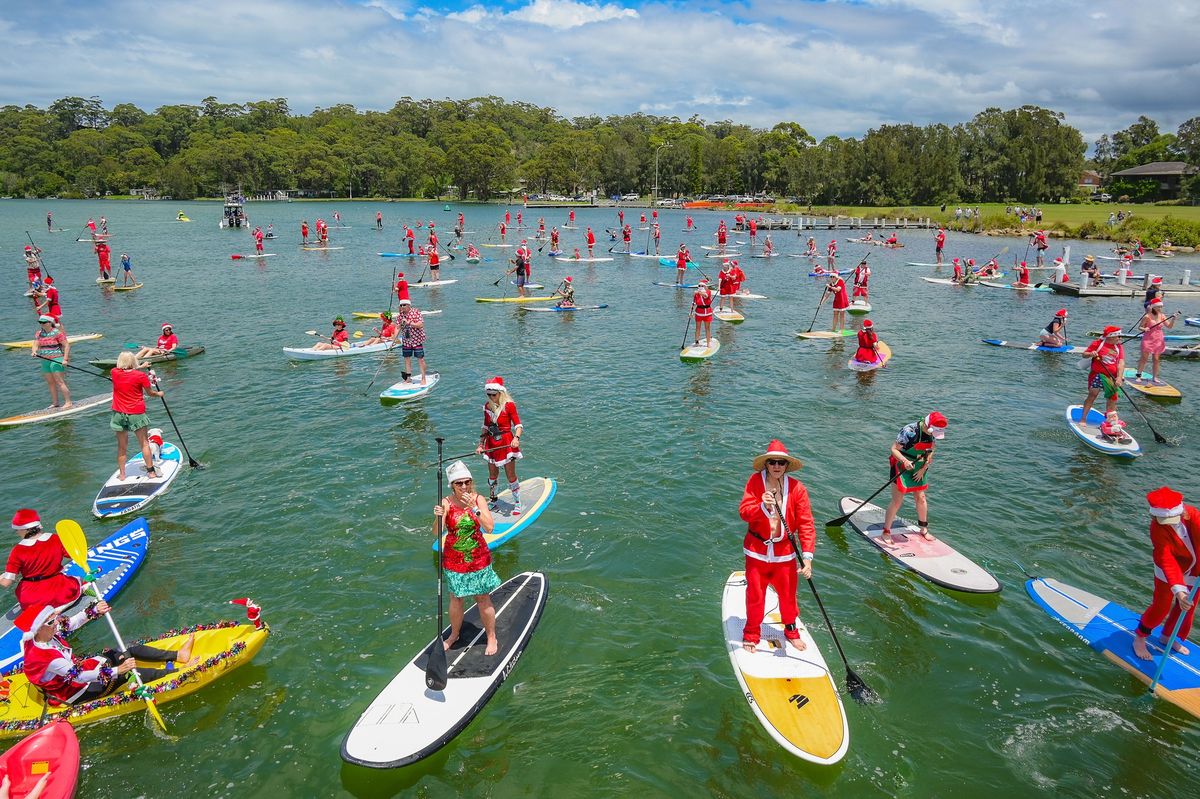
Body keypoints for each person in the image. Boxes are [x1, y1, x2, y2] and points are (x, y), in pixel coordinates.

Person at [16, 601, 195, 706]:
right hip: (74, 691)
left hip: (77, 673)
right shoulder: (45, 656)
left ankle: (178, 655)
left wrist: (94, 610)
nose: (56, 623)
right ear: (37, 630)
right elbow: (79, 677)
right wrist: (119, 670)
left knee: (125, 650)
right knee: (127, 675)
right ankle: (177, 673)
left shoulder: (48, 633)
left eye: (54, 619)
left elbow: (71, 623)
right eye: (51, 622)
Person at [737, 440, 815, 651]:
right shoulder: (754, 482)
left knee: (788, 596)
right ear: (766, 464)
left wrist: (807, 558)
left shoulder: (798, 489)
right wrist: (761, 506)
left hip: (785, 556)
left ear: (787, 465)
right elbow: (744, 512)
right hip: (756, 554)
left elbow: (806, 523)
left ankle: (791, 631)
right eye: (772, 462)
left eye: (781, 462)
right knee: (755, 595)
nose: (777, 466)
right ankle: (751, 633)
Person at [433, 461, 501, 656]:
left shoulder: (478, 499)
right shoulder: (445, 502)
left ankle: (491, 636)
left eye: (467, 482)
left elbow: (489, 527)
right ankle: (454, 634)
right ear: (452, 485)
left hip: (478, 558)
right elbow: (436, 533)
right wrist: (438, 517)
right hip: (454, 560)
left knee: (482, 598)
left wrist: (475, 509)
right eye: (459, 483)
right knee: (456, 598)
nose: (464, 487)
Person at [1133, 487, 1200, 661]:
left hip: (1195, 569)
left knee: (1187, 607)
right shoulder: (1157, 527)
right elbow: (1165, 557)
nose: (1167, 522)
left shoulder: (1194, 516)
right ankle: (1140, 637)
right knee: (1161, 606)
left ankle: (1168, 636)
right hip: (1167, 570)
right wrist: (1179, 590)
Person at [881, 412, 947, 546]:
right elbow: (894, 449)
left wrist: (923, 468)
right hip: (901, 465)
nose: (934, 435)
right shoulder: (909, 431)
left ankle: (923, 529)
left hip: (919, 466)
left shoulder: (931, 434)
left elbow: (931, 450)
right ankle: (886, 532)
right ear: (928, 426)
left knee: (921, 498)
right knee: (897, 501)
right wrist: (905, 461)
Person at [1, 510, 83, 611]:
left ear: (25, 530)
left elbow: (6, 583)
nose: (17, 532)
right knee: (75, 581)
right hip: (60, 592)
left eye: (17, 530)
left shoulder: (17, 551)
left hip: (33, 600)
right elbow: (73, 555)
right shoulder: (55, 538)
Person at [109, 351, 164, 481]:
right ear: (133, 362)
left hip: (118, 414)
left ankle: (122, 475)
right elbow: (150, 393)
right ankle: (151, 472)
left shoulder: (114, 372)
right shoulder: (140, 376)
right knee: (144, 444)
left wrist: (139, 366)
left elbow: (126, 369)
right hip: (136, 413)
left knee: (122, 446)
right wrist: (159, 394)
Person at [476, 377, 524, 514]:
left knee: (510, 474)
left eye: (494, 395)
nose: (491, 397)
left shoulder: (509, 405)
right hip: (492, 443)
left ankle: (517, 503)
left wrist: (516, 437)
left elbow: (518, 425)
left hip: (507, 443)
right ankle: (494, 500)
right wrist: (481, 444)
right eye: (488, 394)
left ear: (500, 393)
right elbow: (485, 426)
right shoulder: (487, 406)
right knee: (492, 475)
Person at [1080, 326, 1125, 421]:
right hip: (1098, 375)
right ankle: (1083, 419)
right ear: (1111, 337)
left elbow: (1121, 362)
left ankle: (1110, 421)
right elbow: (1084, 354)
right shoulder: (1098, 343)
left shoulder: (1119, 347)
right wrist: (1091, 353)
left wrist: (1119, 377)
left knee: (1112, 398)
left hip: (1112, 376)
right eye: (1118, 336)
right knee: (1092, 395)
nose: (1120, 338)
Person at [1133, 300, 1178, 386]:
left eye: (1161, 307)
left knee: (1156, 359)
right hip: (1148, 339)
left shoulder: (1162, 316)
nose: (1160, 308)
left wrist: (1173, 319)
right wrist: (1144, 329)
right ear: (1153, 307)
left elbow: (1169, 326)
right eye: (1158, 307)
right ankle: (1138, 375)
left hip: (1158, 339)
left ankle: (1155, 377)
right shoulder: (1147, 316)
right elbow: (1140, 327)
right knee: (1144, 358)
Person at [31, 316, 71, 409]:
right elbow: (35, 344)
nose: (41, 324)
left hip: (57, 359)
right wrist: (34, 351)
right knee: (50, 382)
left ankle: (68, 402)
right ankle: (55, 403)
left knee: (59, 381)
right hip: (45, 360)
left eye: (43, 322)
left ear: (49, 323)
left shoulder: (57, 333)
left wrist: (65, 359)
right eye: (40, 322)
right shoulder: (39, 333)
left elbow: (67, 346)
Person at [396, 300, 427, 384]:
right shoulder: (399, 316)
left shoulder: (416, 312)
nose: (402, 307)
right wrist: (394, 338)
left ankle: (423, 378)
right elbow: (397, 327)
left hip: (417, 340)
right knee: (406, 359)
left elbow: (420, 324)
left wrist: (410, 323)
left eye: (404, 305)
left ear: (409, 305)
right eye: (401, 305)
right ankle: (408, 378)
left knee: (420, 359)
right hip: (406, 341)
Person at [693, 279, 714, 346]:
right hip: (698, 312)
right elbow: (693, 303)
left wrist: (698, 293)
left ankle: (708, 343)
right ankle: (696, 341)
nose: (700, 287)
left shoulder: (708, 291)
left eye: (702, 285)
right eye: (699, 285)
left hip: (707, 312)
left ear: (705, 286)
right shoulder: (696, 294)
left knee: (707, 328)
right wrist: (691, 312)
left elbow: (705, 296)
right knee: (697, 327)